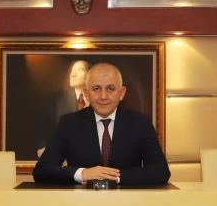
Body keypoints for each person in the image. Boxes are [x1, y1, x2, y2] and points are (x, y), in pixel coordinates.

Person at [33, 62, 170, 185]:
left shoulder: (141, 124)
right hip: (81, 202)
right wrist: (82, 174)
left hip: (127, 202)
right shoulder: (68, 123)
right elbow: (42, 170)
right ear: (86, 94)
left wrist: (115, 177)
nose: (103, 96)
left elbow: (161, 171)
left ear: (121, 93)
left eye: (110, 88)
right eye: (96, 89)